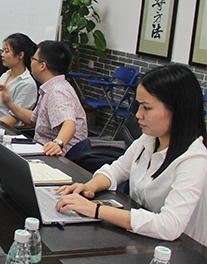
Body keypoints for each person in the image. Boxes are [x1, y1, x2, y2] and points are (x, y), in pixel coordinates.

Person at [56, 64, 207, 245]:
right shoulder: (149, 139)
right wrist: (89, 187)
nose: (138, 114)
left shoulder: (194, 160)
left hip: (181, 249)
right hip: (142, 240)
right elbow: (117, 170)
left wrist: (95, 210)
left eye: (146, 108)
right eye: (138, 105)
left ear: (177, 110)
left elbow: (169, 225)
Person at [0, 40, 87, 155]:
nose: (31, 62)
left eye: (33, 59)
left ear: (42, 66)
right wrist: (9, 103)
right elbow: (34, 119)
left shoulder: (57, 91)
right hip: (41, 149)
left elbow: (70, 123)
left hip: (58, 157)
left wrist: (58, 144)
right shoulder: (51, 87)